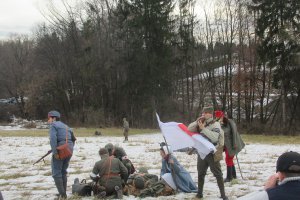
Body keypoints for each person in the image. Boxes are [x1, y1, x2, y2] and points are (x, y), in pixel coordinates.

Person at [188, 106, 228, 200]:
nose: (203, 114)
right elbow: (189, 129)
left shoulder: (216, 124)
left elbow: (214, 138)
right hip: (202, 152)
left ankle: (223, 195)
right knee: (201, 173)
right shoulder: (201, 122)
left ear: (210, 114)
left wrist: (204, 129)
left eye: (205, 113)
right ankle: (199, 193)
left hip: (212, 153)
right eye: (203, 113)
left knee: (218, 174)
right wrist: (197, 122)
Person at [48, 110, 75, 199]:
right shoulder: (67, 126)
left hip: (61, 150)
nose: (49, 120)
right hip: (69, 149)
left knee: (56, 173)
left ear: (54, 118)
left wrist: (55, 152)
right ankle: (63, 193)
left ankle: (62, 195)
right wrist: (69, 149)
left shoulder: (54, 125)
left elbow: (52, 139)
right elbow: (73, 139)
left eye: (50, 118)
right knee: (63, 171)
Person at [215, 110, 245, 182]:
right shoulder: (218, 124)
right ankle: (233, 175)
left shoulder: (230, 122)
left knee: (228, 159)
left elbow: (234, 133)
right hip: (225, 145)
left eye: (220, 117)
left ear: (223, 116)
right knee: (229, 159)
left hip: (232, 144)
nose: (218, 119)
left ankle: (229, 177)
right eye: (217, 118)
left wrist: (234, 144)